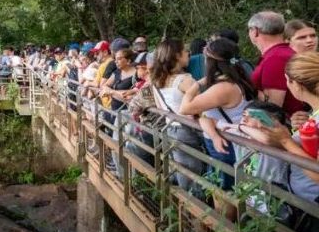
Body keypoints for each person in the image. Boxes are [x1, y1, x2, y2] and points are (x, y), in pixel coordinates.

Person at [254, 52, 319, 232]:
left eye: (287, 81)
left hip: (312, 205)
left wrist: (286, 141)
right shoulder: (312, 113)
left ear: (296, 84)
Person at [180, 38, 256, 192]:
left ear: (210, 61)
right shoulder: (238, 79)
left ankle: (226, 216)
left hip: (226, 146)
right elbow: (206, 117)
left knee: (224, 190)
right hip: (232, 142)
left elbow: (185, 108)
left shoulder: (223, 88)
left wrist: (197, 84)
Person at [150, 39, 205, 193]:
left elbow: (161, 108)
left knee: (183, 174)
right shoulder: (185, 80)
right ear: (176, 56)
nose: (189, 53)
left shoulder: (156, 80)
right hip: (188, 132)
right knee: (194, 178)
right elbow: (201, 110)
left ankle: (183, 211)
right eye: (185, 50)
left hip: (170, 129)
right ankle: (194, 213)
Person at [248, 11, 304, 118]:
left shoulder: (275, 58)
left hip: (287, 127)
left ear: (255, 32)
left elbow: (272, 107)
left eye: (249, 29)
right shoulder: (282, 53)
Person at [100, 47, 137, 178]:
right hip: (115, 112)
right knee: (116, 143)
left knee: (129, 146)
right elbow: (104, 85)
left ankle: (132, 178)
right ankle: (122, 174)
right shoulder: (116, 73)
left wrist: (112, 92)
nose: (116, 61)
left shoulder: (136, 75)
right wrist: (113, 92)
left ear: (128, 60)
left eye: (119, 58)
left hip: (129, 114)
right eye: (115, 59)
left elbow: (130, 97)